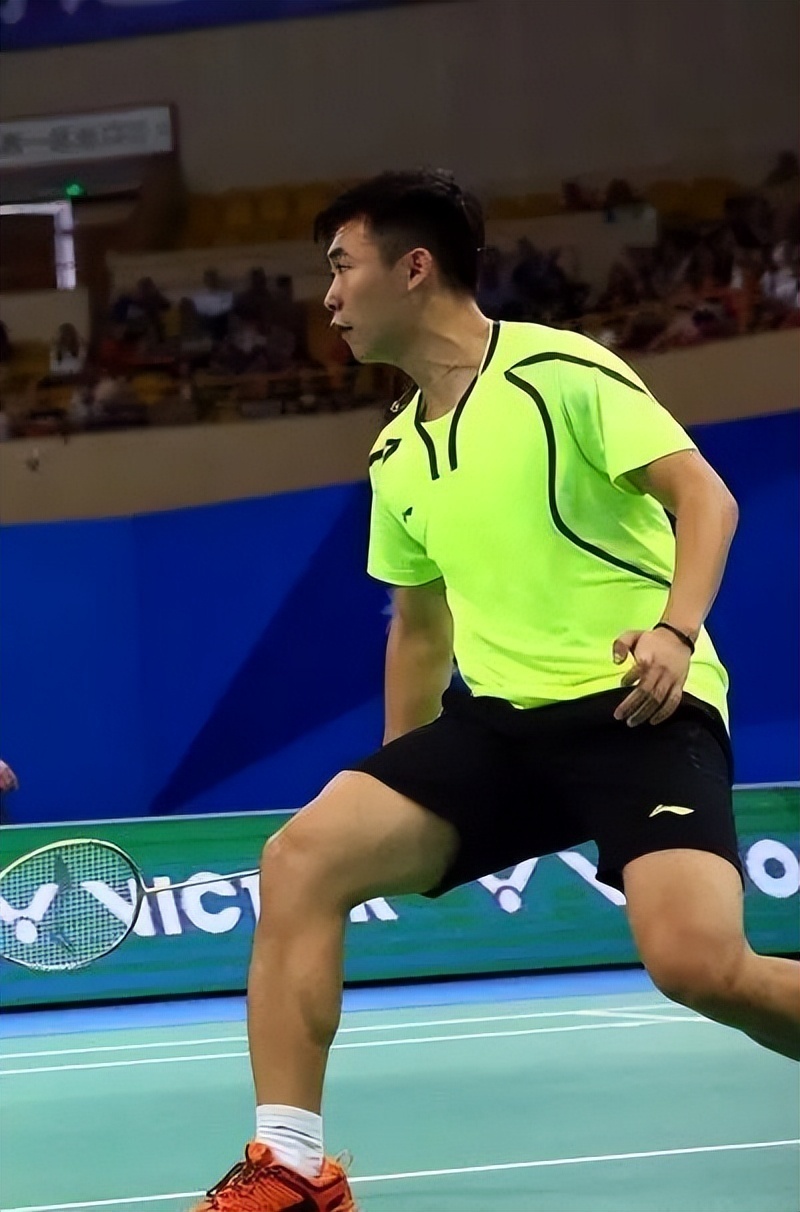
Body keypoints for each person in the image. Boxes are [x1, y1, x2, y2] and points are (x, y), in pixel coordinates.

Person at [191, 170, 800, 1211]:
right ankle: (291, 1168)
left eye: (340, 267)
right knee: (301, 858)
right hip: (501, 729)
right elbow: (421, 627)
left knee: (700, 966)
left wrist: (673, 631)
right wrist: (396, 777)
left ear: (413, 268)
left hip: (638, 708)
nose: (326, 298)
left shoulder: (558, 372)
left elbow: (706, 497)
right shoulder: (396, 451)